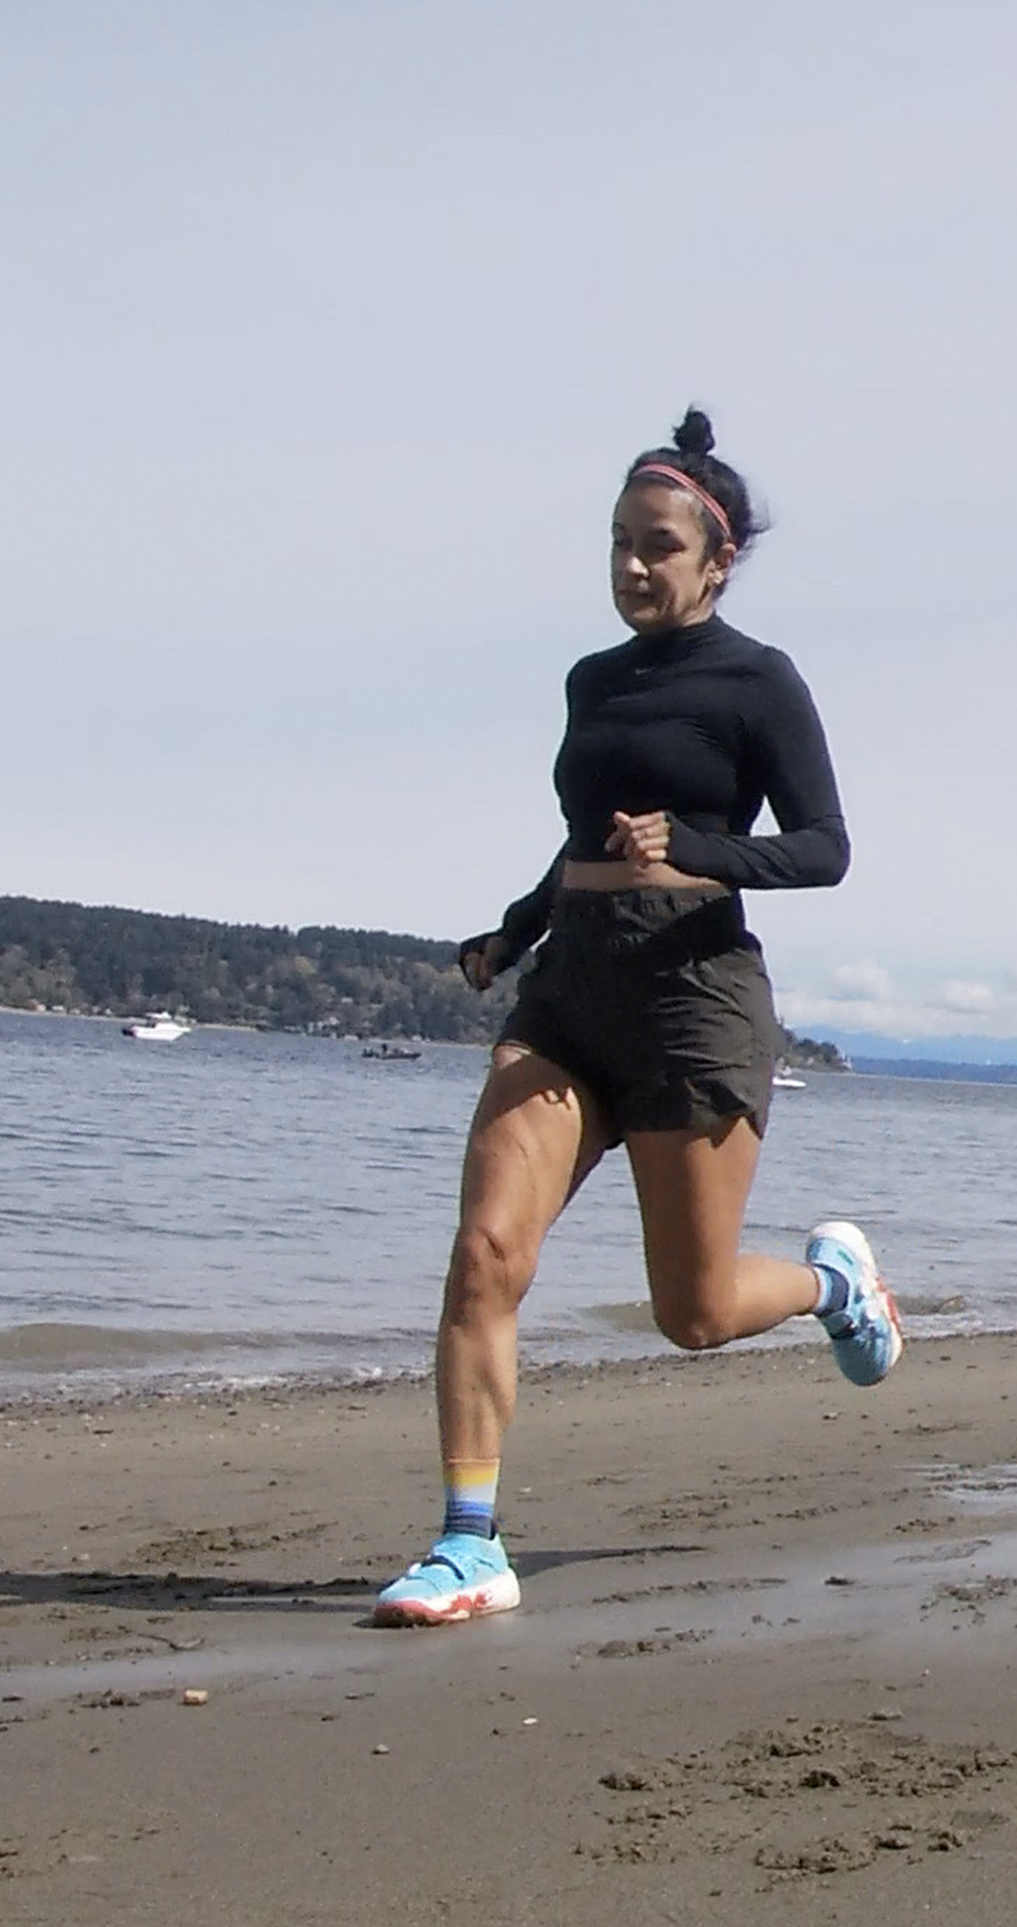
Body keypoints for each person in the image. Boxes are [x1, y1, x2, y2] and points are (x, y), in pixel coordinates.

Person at [372, 410, 903, 1630]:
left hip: (691, 996)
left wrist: (698, 850)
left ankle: (832, 1284)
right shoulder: (592, 682)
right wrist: (515, 928)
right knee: (485, 1257)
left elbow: (824, 849)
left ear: (714, 560)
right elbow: (580, 843)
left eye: (656, 547)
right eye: (616, 542)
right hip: (572, 994)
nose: (629, 567)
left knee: (695, 1313)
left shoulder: (759, 681)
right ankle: (467, 1546)